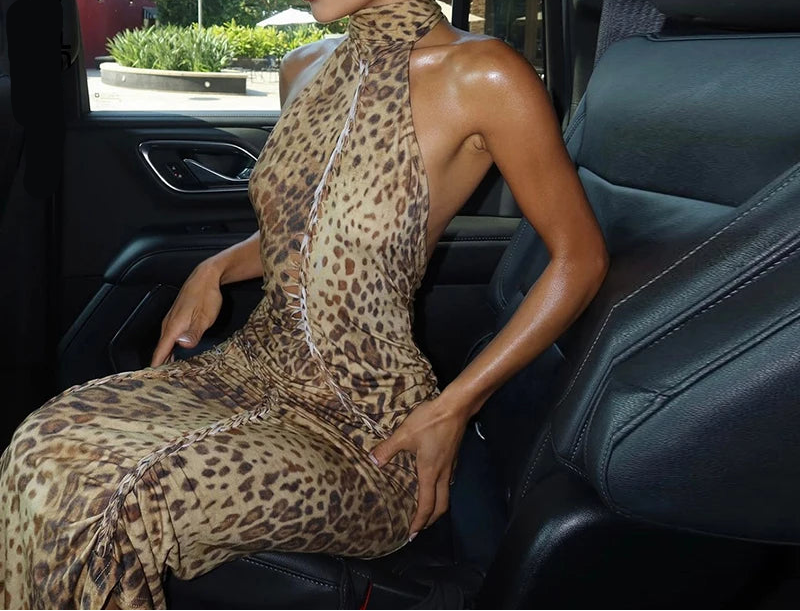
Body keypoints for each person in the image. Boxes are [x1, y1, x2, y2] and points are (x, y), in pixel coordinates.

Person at [0, 0, 608, 608]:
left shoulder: (484, 76)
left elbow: (578, 259)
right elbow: (308, 231)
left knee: (116, 501)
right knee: (38, 446)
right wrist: (215, 268)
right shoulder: (304, 68)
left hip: (367, 423)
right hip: (252, 370)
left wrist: (454, 407)